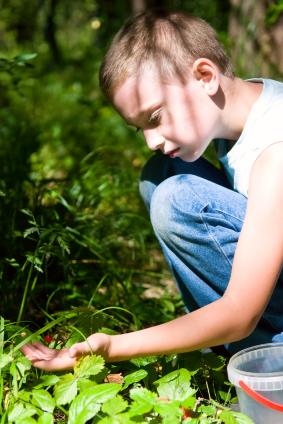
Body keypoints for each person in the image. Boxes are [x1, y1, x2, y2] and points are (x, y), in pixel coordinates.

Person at [21, 9, 283, 371]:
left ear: (205, 76)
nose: (150, 140)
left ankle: (261, 353)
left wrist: (110, 347)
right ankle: (220, 339)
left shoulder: (276, 150)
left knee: (177, 198)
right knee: (162, 173)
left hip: (253, 320)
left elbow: (241, 311)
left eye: (156, 117)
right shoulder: (250, 104)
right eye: (139, 128)